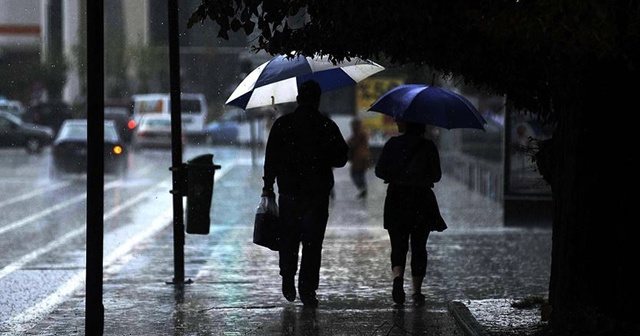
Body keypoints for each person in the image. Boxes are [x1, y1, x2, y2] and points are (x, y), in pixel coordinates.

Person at [261, 79, 349, 308]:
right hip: (317, 195)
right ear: (318, 100)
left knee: (288, 238)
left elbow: (271, 159)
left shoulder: (282, 125)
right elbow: (341, 158)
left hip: (289, 193)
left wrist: (268, 185)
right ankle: (307, 289)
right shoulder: (327, 126)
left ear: (298, 99)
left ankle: (287, 277)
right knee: (312, 243)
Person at [374, 120, 446, 305]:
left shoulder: (393, 144)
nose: (396, 121)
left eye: (400, 119)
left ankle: (397, 277)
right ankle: (417, 292)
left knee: (398, 245)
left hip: (397, 199)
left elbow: (379, 171)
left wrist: (396, 175)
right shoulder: (429, 146)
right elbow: (437, 176)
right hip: (421, 200)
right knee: (419, 247)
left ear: (406, 123)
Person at [346, 117, 372, 198]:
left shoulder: (358, 133)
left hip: (359, 157)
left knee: (355, 174)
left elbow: (354, 143)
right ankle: (363, 190)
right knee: (361, 174)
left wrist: (350, 141)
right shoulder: (363, 132)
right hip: (365, 156)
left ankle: (362, 188)